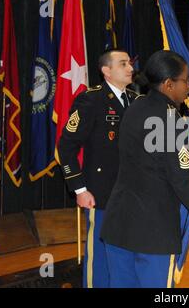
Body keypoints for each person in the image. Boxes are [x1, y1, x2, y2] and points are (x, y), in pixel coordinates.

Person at [100, 50, 189, 288]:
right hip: (153, 234)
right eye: (185, 80)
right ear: (168, 84)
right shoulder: (170, 122)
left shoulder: (135, 108)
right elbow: (183, 182)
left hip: (119, 225)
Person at [58, 49, 140, 288]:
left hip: (133, 193)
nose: (130, 68)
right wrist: (79, 189)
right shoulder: (91, 99)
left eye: (130, 63)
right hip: (101, 192)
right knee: (101, 255)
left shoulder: (136, 100)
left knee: (126, 254)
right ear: (106, 70)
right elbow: (66, 146)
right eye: (123, 64)